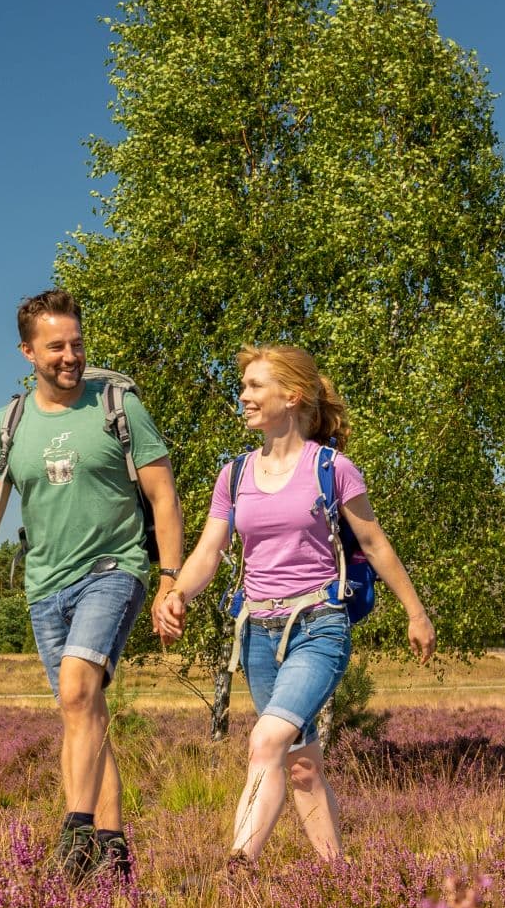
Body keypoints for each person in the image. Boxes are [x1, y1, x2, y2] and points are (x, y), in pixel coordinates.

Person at [155, 345, 433, 876]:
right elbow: (209, 550)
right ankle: (338, 878)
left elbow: (375, 544)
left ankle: (237, 870)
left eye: (256, 385)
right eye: (244, 385)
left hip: (319, 628)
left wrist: (415, 614)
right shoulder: (234, 475)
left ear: (292, 395)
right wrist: (178, 594)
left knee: (265, 740)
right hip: (256, 632)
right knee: (300, 764)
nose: (243, 395)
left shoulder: (332, 469)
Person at [0, 288, 181, 882]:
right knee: (84, 711)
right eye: (55, 347)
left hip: (115, 568)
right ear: (27, 352)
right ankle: (114, 852)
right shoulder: (7, 424)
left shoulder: (118, 406)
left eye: (76, 343)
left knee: (77, 690)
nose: (70, 356)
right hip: (45, 584)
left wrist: (170, 579)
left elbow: (162, 496)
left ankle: (75, 837)